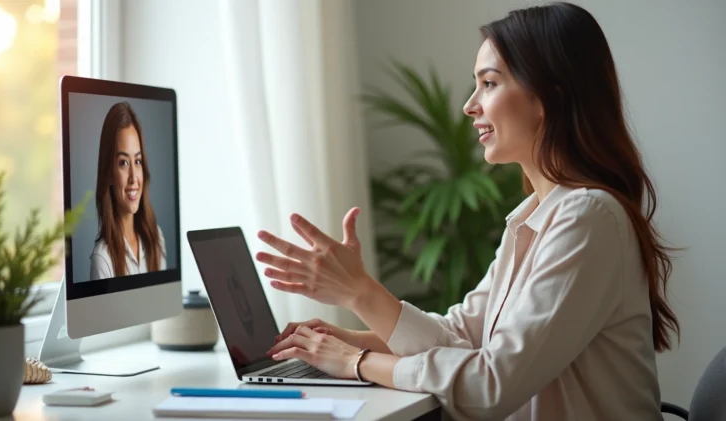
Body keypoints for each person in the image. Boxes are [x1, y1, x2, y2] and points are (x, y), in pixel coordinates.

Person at [254, 3, 679, 420]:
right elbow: (461, 337)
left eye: (489, 83)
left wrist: (357, 359)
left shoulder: (588, 217)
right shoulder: (534, 216)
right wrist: (350, 330)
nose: (470, 105)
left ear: (548, 97)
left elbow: (489, 386)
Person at [90, 101, 166, 280]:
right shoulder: (103, 259)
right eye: (123, 162)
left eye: (137, 161)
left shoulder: (156, 238)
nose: (134, 178)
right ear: (108, 173)